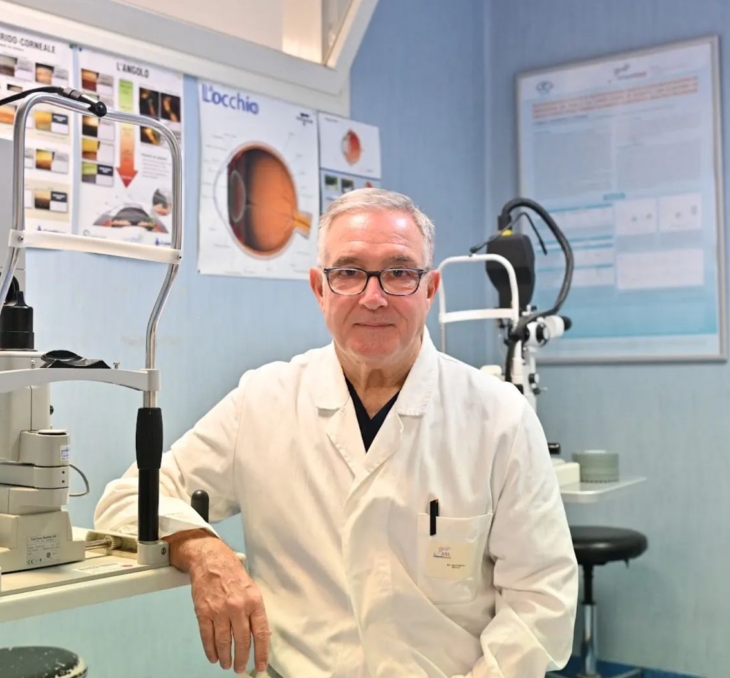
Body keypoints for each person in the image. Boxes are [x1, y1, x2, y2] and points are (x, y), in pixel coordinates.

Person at [94, 188, 578, 677]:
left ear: (429, 290)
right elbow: (127, 500)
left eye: (399, 273)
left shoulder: (499, 419)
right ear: (319, 288)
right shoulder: (263, 401)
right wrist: (202, 549)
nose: (373, 297)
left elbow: (541, 599)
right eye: (348, 272)